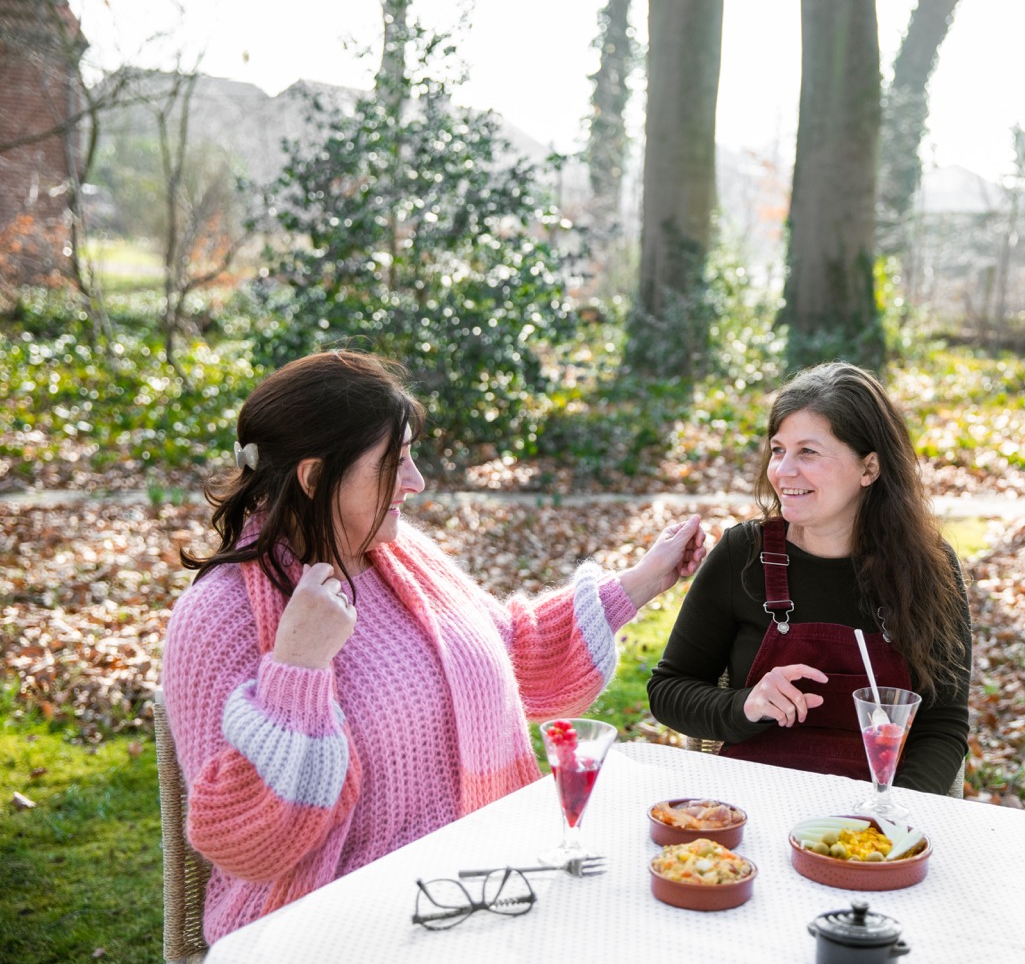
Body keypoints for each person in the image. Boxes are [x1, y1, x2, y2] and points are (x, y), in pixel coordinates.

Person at [163, 350, 704, 944]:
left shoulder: (402, 555)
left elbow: (511, 655)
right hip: (328, 929)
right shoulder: (218, 616)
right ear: (315, 477)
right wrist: (298, 666)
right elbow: (247, 843)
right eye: (393, 463)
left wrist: (645, 579)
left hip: (480, 889)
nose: (416, 482)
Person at [647, 362, 971, 795]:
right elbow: (668, 690)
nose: (782, 471)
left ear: (869, 468)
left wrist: (896, 815)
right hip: (749, 803)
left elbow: (943, 726)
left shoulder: (930, 569)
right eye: (778, 449)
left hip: (879, 816)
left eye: (808, 452)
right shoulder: (743, 555)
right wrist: (745, 705)